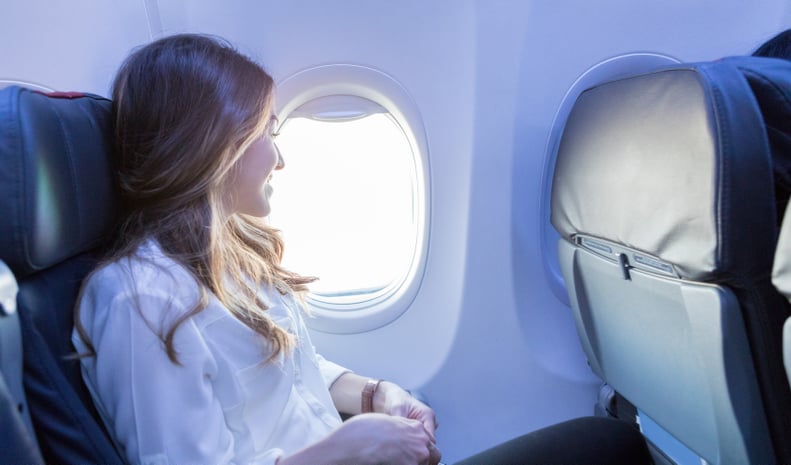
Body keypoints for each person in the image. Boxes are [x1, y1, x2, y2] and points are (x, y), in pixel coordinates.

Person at [74, 33, 652, 465]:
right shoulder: (141, 300)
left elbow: (296, 373)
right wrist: (346, 450)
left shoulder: (231, 258)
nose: (279, 158)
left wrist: (378, 395)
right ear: (212, 148)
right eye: (265, 134)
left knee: (609, 442)